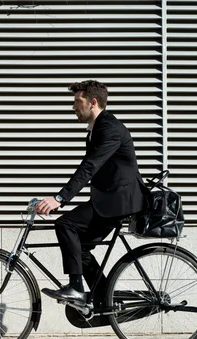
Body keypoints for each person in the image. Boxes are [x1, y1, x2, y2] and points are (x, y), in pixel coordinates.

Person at [35, 80, 146, 304]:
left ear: (93, 102)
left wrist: (60, 198)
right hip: (110, 199)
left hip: (119, 201)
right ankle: (104, 298)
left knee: (65, 224)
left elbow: (89, 166)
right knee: (80, 248)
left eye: (78, 101)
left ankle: (76, 288)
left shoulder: (109, 128)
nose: (73, 106)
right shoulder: (98, 128)